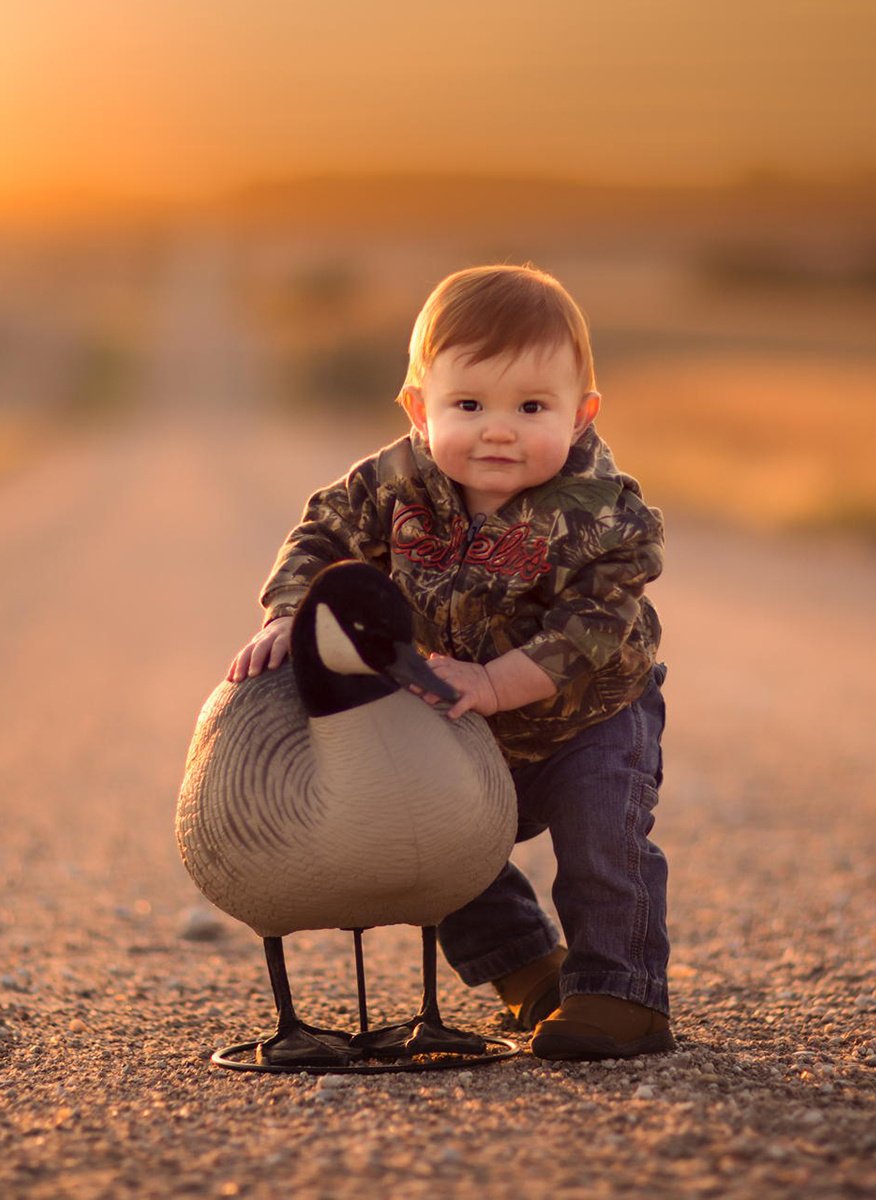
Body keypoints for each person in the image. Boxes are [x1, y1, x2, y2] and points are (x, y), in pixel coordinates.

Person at [225, 263, 673, 1060]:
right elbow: (322, 537)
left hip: (588, 719)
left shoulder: (603, 510)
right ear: (419, 408)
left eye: (532, 407)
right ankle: (529, 970)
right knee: (436, 846)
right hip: (458, 711)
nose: (498, 429)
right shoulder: (394, 483)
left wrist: (501, 682)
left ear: (582, 415)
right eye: (468, 405)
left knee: (601, 843)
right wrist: (290, 611)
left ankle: (620, 992)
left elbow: (598, 621)